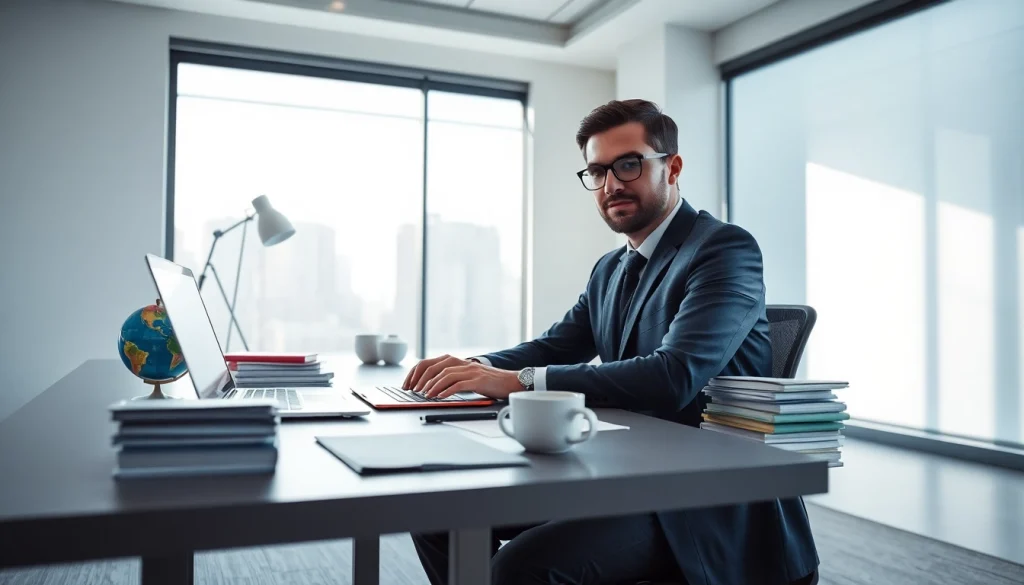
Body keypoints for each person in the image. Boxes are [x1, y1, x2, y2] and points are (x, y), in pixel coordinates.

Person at [402, 99, 819, 585]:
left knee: (520, 568)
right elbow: (556, 347)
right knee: (436, 513)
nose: (611, 184)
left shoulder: (724, 249)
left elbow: (673, 375)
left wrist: (514, 381)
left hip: (703, 500)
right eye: (597, 171)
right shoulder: (610, 268)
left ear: (673, 166)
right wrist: (470, 366)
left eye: (628, 165)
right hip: (622, 469)